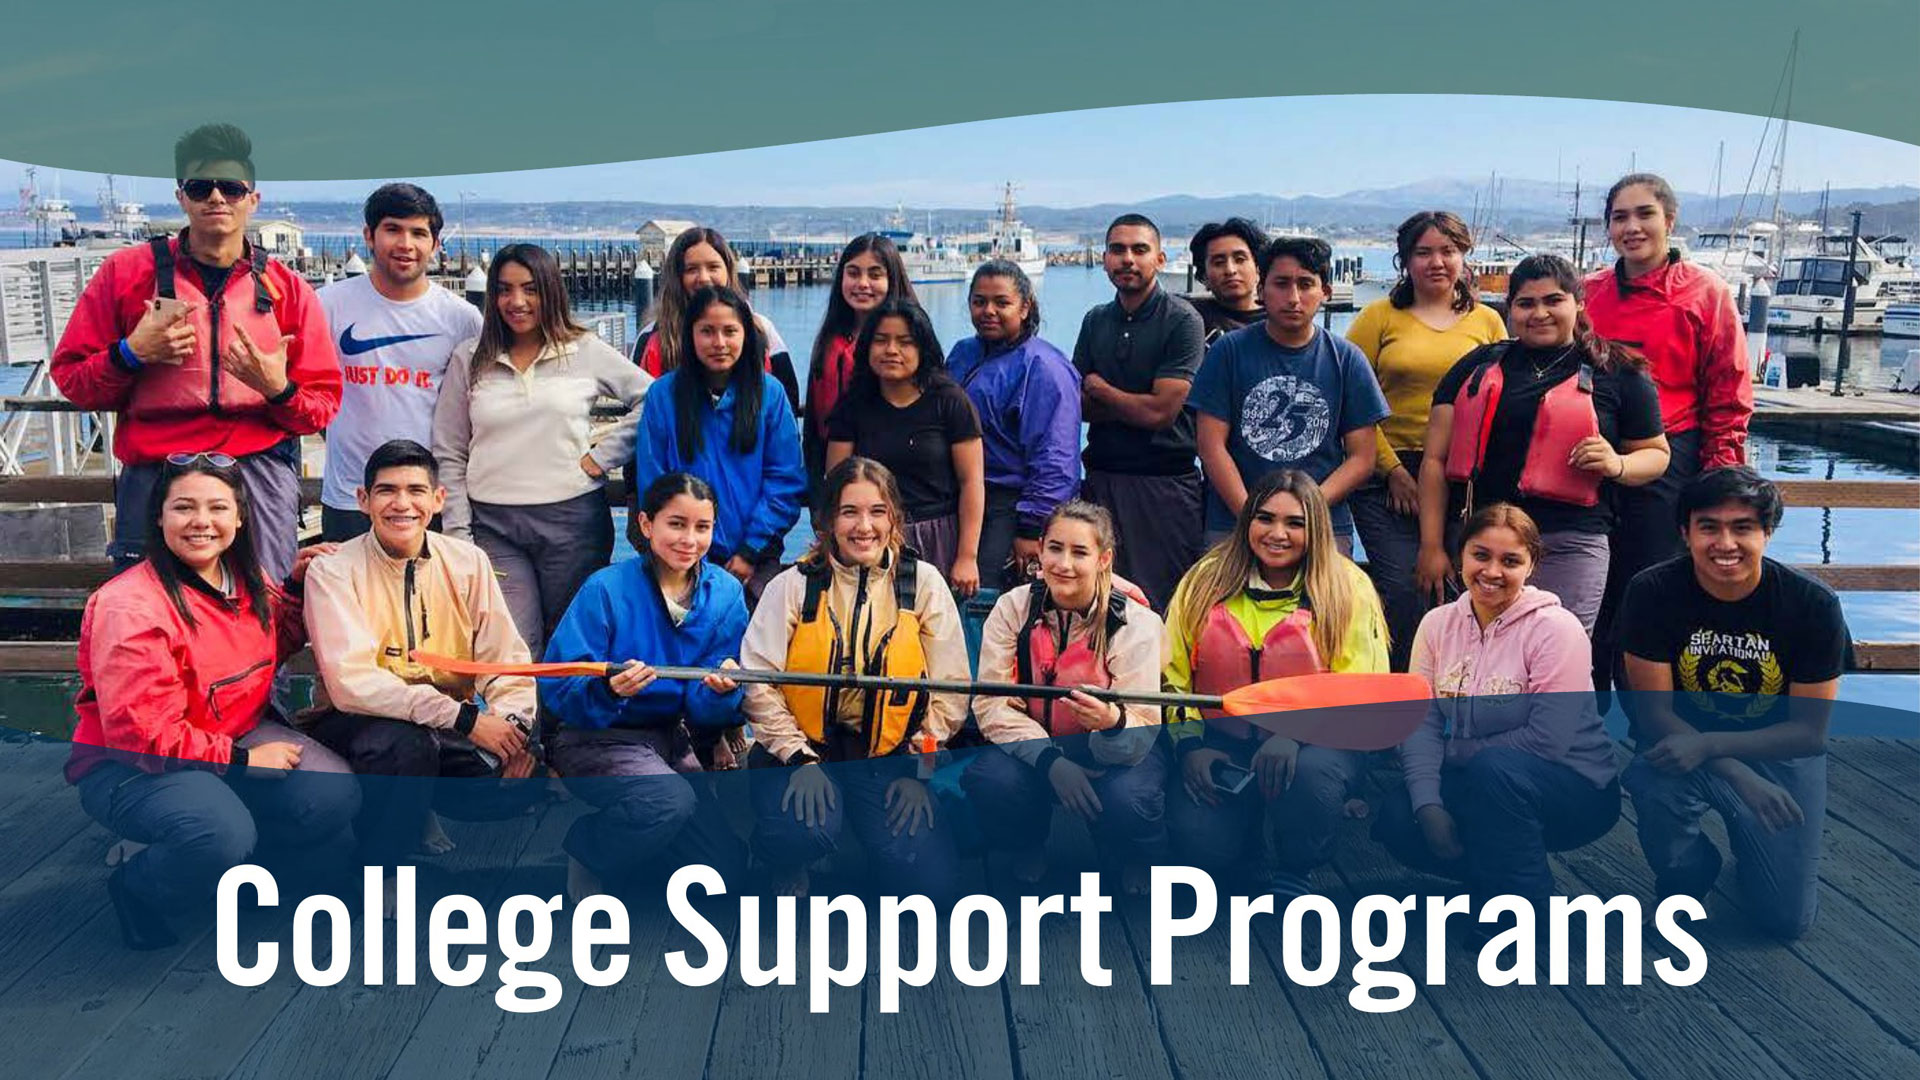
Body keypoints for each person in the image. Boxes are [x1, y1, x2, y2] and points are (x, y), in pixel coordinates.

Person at [66, 455, 356, 950]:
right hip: (132, 766)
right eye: (184, 507)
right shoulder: (130, 605)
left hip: (231, 732)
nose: (202, 521)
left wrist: (293, 587)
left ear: (240, 517)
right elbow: (142, 735)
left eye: (218, 507)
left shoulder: (244, 577)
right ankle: (140, 887)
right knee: (215, 833)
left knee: (333, 794)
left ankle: (241, 876)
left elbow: (272, 642)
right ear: (158, 516)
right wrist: (243, 762)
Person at [50, 123, 342, 582]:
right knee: (144, 610)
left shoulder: (288, 290)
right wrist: (130, 354)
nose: (216, 198)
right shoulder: (125, 274)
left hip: (256, 472)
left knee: (263, 607)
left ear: (252, 199)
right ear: (181, 196)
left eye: (230, 187)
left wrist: (277, 389)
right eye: (200, 187)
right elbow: (72, 379)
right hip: (154, 472)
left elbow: (321, 408)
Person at [301, 439, 543, 884]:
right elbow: (352, 684)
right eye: (386, 491)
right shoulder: (333, 569)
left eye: (416, 491)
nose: (402, 504)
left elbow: (505, 657)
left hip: (444, 723)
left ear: (438, 499)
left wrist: (514, 728)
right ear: (363, 500)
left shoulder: (467, 561)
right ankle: (380, 871)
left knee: (521, 781)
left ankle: (410, 810)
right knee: (405, 746)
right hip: (353, 721)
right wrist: (465, 720)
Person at [1619, 467, 1846, 940]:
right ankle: (1690, 872)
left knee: (1784, 922)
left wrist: (1718, 751)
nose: (1725, 543)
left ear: (1767, 532)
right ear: (1685, 532)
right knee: (1649, 778)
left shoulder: (1812, 605)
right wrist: (1733, 771)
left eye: (1742, 527)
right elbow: (1654, 713)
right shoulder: (1652, 591)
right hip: (1682, 746)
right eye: (1709, 527)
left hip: (1778, 754)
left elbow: (1810, 731)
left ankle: (1757, 853)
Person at [739, 458, 968, 897]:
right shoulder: (792, 585)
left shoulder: (924, 584)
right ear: (827, 522)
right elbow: (758, 681)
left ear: (894, 519)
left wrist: (919, 770)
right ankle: (784, 857)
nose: (864, 526)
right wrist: (797, 757)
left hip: (887, 755)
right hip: (802, 750)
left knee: (930, 883)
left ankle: (865, 852)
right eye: (849, 512)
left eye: (877, 512)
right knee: (801, 832)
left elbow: (950, 690)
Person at [1374, 503, 1620, 911]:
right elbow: (1421, 723)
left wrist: (1457, 753)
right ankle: (1493, 877)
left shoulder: (1557, 630)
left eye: (1510, 561)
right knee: (1401, 816)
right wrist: (1429, 804)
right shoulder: (1436, 624)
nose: (1492, 572)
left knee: (1496, 772)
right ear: (1461, 555)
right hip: (1486, 776)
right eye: (1480, 555)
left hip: (1576, 787)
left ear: (1532, 565)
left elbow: (1549, 741)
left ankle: (1527, 909)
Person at [1416, 254, 1671, 632]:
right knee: (1483, 652)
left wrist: (1617, 463)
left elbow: (1656, 455)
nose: (1540, 313)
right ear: (1509, 309)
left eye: (1554, 301)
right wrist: (1432, 546)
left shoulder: (1619, 372)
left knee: (1560, 653)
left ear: (1578, 303)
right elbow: (1435, 460)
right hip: (1488, 545)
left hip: (1571, 542)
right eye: (1526, 303)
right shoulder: (1476, 367)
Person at [1163, 470, 1389, 896]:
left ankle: (1297, 864)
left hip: (1312, 748)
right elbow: (1170, 677)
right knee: (1200, 843)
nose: (1277, 534)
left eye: (1295, 523)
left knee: (1312, 776)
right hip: (1222, 742)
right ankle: (1242, 839)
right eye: (1265, 518)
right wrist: (1189, 747)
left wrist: (1295, 734)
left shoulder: (1347, 588)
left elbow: (1361, 688)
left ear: (1316, 528)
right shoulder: (1205, 579)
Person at [432, 242, 651, 658]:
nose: (516, 301)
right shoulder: (469, 358)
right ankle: (520, 725)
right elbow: (449, 449)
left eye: (530, 289)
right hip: (492, 525)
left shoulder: (584, 349)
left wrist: (603, 456)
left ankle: (562, 727)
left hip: (573, 523)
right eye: (504, 289)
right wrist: (458, 533)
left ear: (550, 291)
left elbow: (653, 399)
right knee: (513, 647)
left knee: (569, 646)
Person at [540, 472, 751, 898]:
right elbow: (559, 687)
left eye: (702, 527)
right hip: (595, 736)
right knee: (667, 800)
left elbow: (708, 708)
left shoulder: (726, 593)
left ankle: (637, 846)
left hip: (669, 737)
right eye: (676, 523)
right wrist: (609, 691)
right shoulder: (605, 587)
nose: (689, 539)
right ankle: (587, 848)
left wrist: (720, 692)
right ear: (645, 524)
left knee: (722, 869)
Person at [1585, 173, 1754, 693]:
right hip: (1590, 458)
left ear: (1669, 221)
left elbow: (1728, 391)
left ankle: (1652, 728)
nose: (1631, 227)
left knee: (1651, 588)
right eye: (1620, 217)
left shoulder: (1707, 293)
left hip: (1670, 458)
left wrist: (1721, 478)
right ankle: (1583, 719)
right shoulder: (1588, 293)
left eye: (1644, 214)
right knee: (1592, 590)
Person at [962, 501, 1167, 888]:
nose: (1064, 564)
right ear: (1039, 548)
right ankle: (1029, 843)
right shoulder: (1012, 608)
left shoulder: (1135, 622)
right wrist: (1050, 761)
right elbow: (991, 704)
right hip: (1038, 743)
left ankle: (1136, 853)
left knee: (1129, 799)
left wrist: (1111, 723)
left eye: (1080, 552)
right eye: (1055, 548)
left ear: (1104, 559)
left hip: (1118, 748)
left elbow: (1142, 726)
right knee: (990, 778)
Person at [1344, 211, 1507, 670]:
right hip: (1387, 478)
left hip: (1461, 477)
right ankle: (1400, 693)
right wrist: (1391, 469)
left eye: (1449, 251)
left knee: (1461, 586)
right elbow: (1351, 402)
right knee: (1404, 587)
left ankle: (1458, 690)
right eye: (1424, 252)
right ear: (1405, 260)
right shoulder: (1379, 317)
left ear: (1464, 257)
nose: (1437, 262)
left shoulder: (1489, 322)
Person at [1192, 235, 1390, 554]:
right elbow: (1211, 446)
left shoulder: (1347, 359)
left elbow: (1361, 458)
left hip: (1322, 522)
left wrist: (1302, 514)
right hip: (1233, 520)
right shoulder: (1227, 353)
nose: (1293, 297)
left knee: (1326, 605)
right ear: (1261, 290)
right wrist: (1253, 518)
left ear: (1325, 291)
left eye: (1306, 284)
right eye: (1281, 284)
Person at [316, 183, 481, 541]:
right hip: (350, 498)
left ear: (435, 245)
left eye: (419, 233)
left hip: (428, 501)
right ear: (369, 236)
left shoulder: (462, 318)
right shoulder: (327, 305)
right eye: (392, 229)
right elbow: (311, 395)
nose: (406, 244)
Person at [630, 285, 806, 603]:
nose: (719, 343)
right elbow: (653, 482)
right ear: (690, 335)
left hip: (756, 559)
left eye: (730, 331)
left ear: (746, 335)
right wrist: (686, 545)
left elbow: (786, 481)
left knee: (755, 646)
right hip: (679, 558)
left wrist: (750, 550)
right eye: (707, 331)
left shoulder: (770, 394)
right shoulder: (663, 395)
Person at [1073, 214, 1208, 610]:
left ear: (1161, 259)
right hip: (1102, 480)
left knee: (1162, 604)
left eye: (1139, 249)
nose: (1127, 259)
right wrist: (1132, 400)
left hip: (1165, 486)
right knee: (1097, 601)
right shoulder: (1096, 320)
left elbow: (1160, 413)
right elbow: (1078, 406)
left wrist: (1103, 391)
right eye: (1118, 250)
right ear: (1104, 260)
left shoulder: (1183, 321)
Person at [825, 297, 985, 592]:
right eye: (881, 340)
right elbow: (836, 483)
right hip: (869, 535)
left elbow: (972, 482)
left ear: (923, 348)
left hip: (936, 535)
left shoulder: (949, 400)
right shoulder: (853, 404)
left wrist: (967, 556)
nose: (892, 350)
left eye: (905, 342)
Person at [947, 260, 1082, 591]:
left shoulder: (1044, 367)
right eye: (979, 302)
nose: (988, 311)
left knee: (985, 598)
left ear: (1025, 307)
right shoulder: (963, 353)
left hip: (1009, 507)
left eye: (1001, 302)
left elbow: (1056, 457)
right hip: (958, 495)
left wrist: (1031, 529)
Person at [630, 226, 800, 406]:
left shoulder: (761, 329)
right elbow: (638, 407)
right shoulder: (652, 336)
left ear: (728, 271)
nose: (703, 277)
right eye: (692, 269)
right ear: (677, 276)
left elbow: (789, 399)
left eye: (713, 267)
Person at [804, 233, 918, 487]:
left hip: (889, 477)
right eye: (853, 273)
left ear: (892, 279)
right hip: (832, 472)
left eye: (875, 275)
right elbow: (813, 421)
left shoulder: (913, 343)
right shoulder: (829, 341)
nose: (863, 283)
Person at [1187, 217, 1271, 343]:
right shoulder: (1189, 318)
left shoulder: (1278, 320)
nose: (1230, 270)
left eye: (1240, 259)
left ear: (1258, 268)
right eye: (1219, 262)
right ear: (1204, 276)